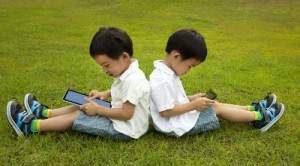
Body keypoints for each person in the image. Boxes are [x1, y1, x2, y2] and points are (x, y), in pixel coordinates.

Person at [6, 27, 150, 141]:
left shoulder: (133, 80)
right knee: (81, 105)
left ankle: (31, 126)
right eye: (101, 66)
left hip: (125, 129)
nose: (104, 70)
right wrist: (105, 93)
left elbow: (126, 114)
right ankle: (44, 114)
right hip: (120, 118)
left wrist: (98, 110)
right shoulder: (128, 72)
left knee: (76, 115)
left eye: (106, 65)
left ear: (124, 57)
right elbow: (123, 90)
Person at [149, 29, 285, 137]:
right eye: (189, 66)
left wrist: (191, 98)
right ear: (176, 57)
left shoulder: (168, 73)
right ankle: (259, 118)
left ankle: (252, 109)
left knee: (214, 104)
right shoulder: (162, 80)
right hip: (175, 126)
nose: (188, 71)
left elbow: (172, 100)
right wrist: (192, 105)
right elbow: (165, 112)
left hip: (178, 118)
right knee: (215, 108)